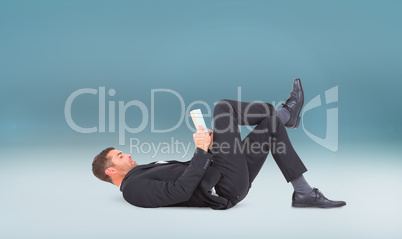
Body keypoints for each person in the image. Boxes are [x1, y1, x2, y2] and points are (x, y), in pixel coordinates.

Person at [92, 79, 346, 209]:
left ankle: (303, 193)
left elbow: (190, 174)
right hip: (226, 187)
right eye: (120, 155)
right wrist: (202, 151)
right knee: (223, 107)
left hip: (225, 174)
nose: (128, 155)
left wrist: (211, 147)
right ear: (110, 171)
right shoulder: (133, 190)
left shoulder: (140, 173)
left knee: (271, 126)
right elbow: (180, 191)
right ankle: (287, 114)